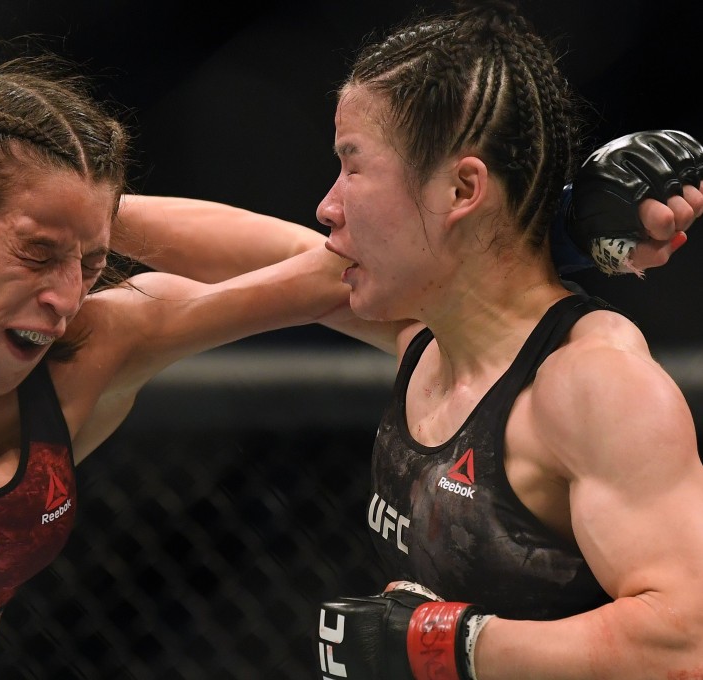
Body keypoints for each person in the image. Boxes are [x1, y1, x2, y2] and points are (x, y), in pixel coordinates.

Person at [0, 27, 695, 680]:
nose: (66, 293)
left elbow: (341, 267)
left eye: (87, 259)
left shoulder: (95, 345)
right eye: (36, 251)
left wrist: (543, 227)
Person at [114, 2, 703, 678]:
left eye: (354, 166)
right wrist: (82, 218)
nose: (328, 204)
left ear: (460, 188)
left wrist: (441, 645)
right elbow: (264, 254)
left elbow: (685, 641)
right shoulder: (425, 335)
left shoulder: (593, 387)